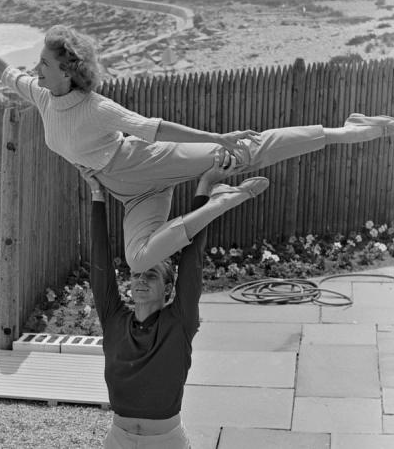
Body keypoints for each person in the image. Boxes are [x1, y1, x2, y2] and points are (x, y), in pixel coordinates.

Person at [0, 22, 394, 273]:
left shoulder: (97, 107)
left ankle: (348, 130)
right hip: (129, 193)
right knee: (138, 260)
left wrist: (217, 138)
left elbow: (157, 127)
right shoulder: (42, 96)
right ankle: (214, 198)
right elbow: (0, 68)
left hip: (143, 161)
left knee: (244, 152)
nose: (35, 68)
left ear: (68, 69)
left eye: (43, 62)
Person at [85, 154, 262, 449]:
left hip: (166, 441)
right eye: (137, 275)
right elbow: (99, 266)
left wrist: (204, 187)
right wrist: (97, 195)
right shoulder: (115, 319)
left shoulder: (178, 322)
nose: (140, 281)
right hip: (118, 438)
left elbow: (193, 260)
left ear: (168, 289)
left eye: (151, 276)